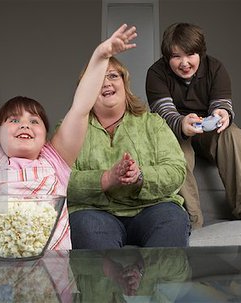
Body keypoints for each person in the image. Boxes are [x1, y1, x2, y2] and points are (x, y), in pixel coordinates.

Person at [0, 7, 138, 251]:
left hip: (52, 273)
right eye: (13, 120)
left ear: (46, 136)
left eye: (34, 121)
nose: (24, 124)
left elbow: (80, 108)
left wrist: (100, 56)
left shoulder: (54, 160)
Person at [145, 23, 241, 229]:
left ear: (200, 53)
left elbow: (221, 103)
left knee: (235, 135)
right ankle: (191, 219)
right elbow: (164, 112)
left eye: (190, 54)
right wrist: (182, 123)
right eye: (176, 56)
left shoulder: (216, 68)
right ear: (167, 58)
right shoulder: (156, 73)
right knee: (174, 148)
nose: (184, 63)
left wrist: (222, 113)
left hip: (211, 131)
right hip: (176, 132)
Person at [67, 56, 190, 249]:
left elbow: (176, 170)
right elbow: (58, 179)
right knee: (86, 226)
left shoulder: (153, 123)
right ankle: (112, 279)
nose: (106, 83)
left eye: (113, 76)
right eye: (98, 78)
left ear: (124, 82)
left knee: (172, 219)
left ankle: (156, 280)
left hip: (154, 208)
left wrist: (140, 176)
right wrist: (106, 178)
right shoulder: (69, 128)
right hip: (93, 211)